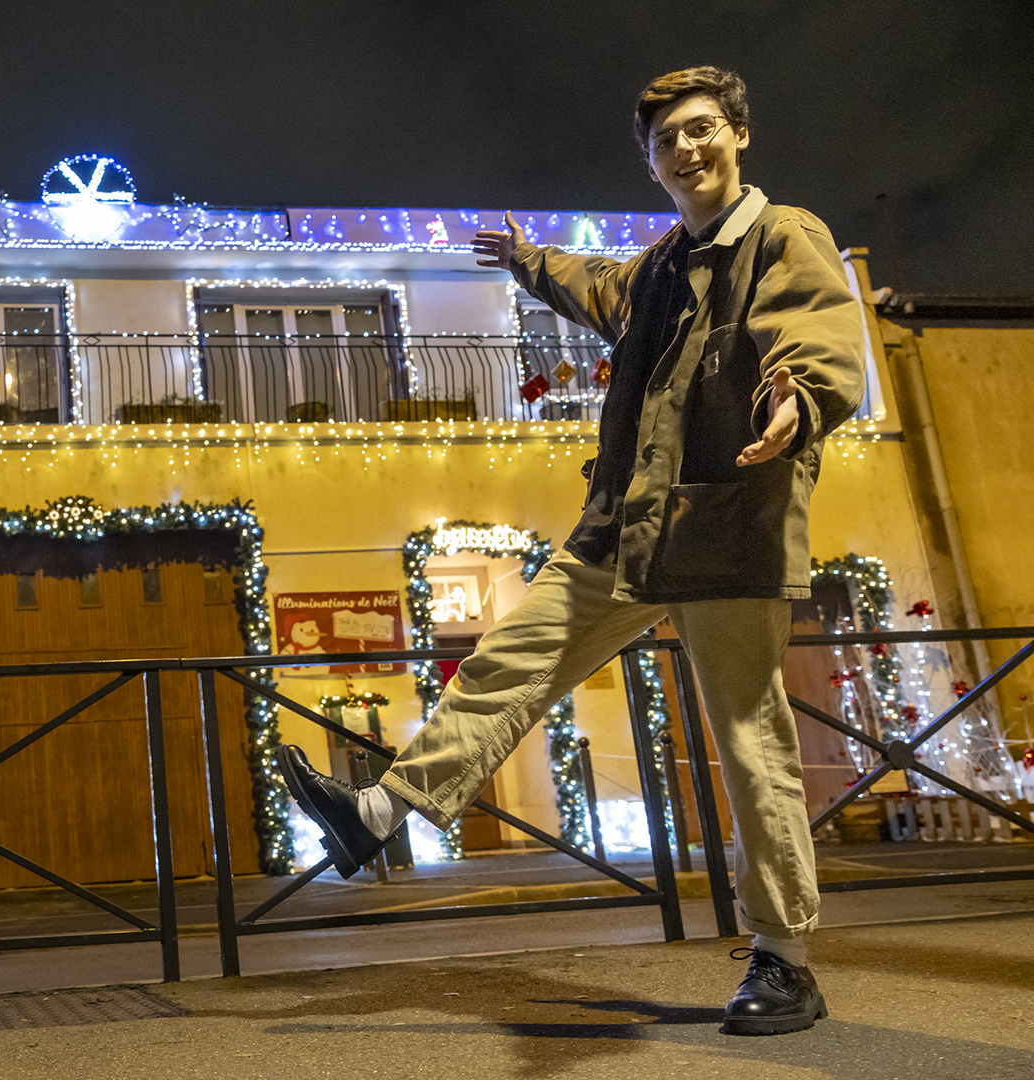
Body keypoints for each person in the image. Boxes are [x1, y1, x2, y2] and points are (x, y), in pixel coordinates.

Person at [275, 66, 865, 1037]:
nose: (688, 147)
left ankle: (784, 959)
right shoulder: (661, 266)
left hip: (727, 526)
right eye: (669, 137)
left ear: (738, 136)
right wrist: (525, 258)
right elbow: (597, 286)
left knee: (752, 748)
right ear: (651, 159)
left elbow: (817, 332)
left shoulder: (781, 236)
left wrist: (799, 397)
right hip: (627, 531)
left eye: (703, 128)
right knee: (508, 659)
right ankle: (377, 814)